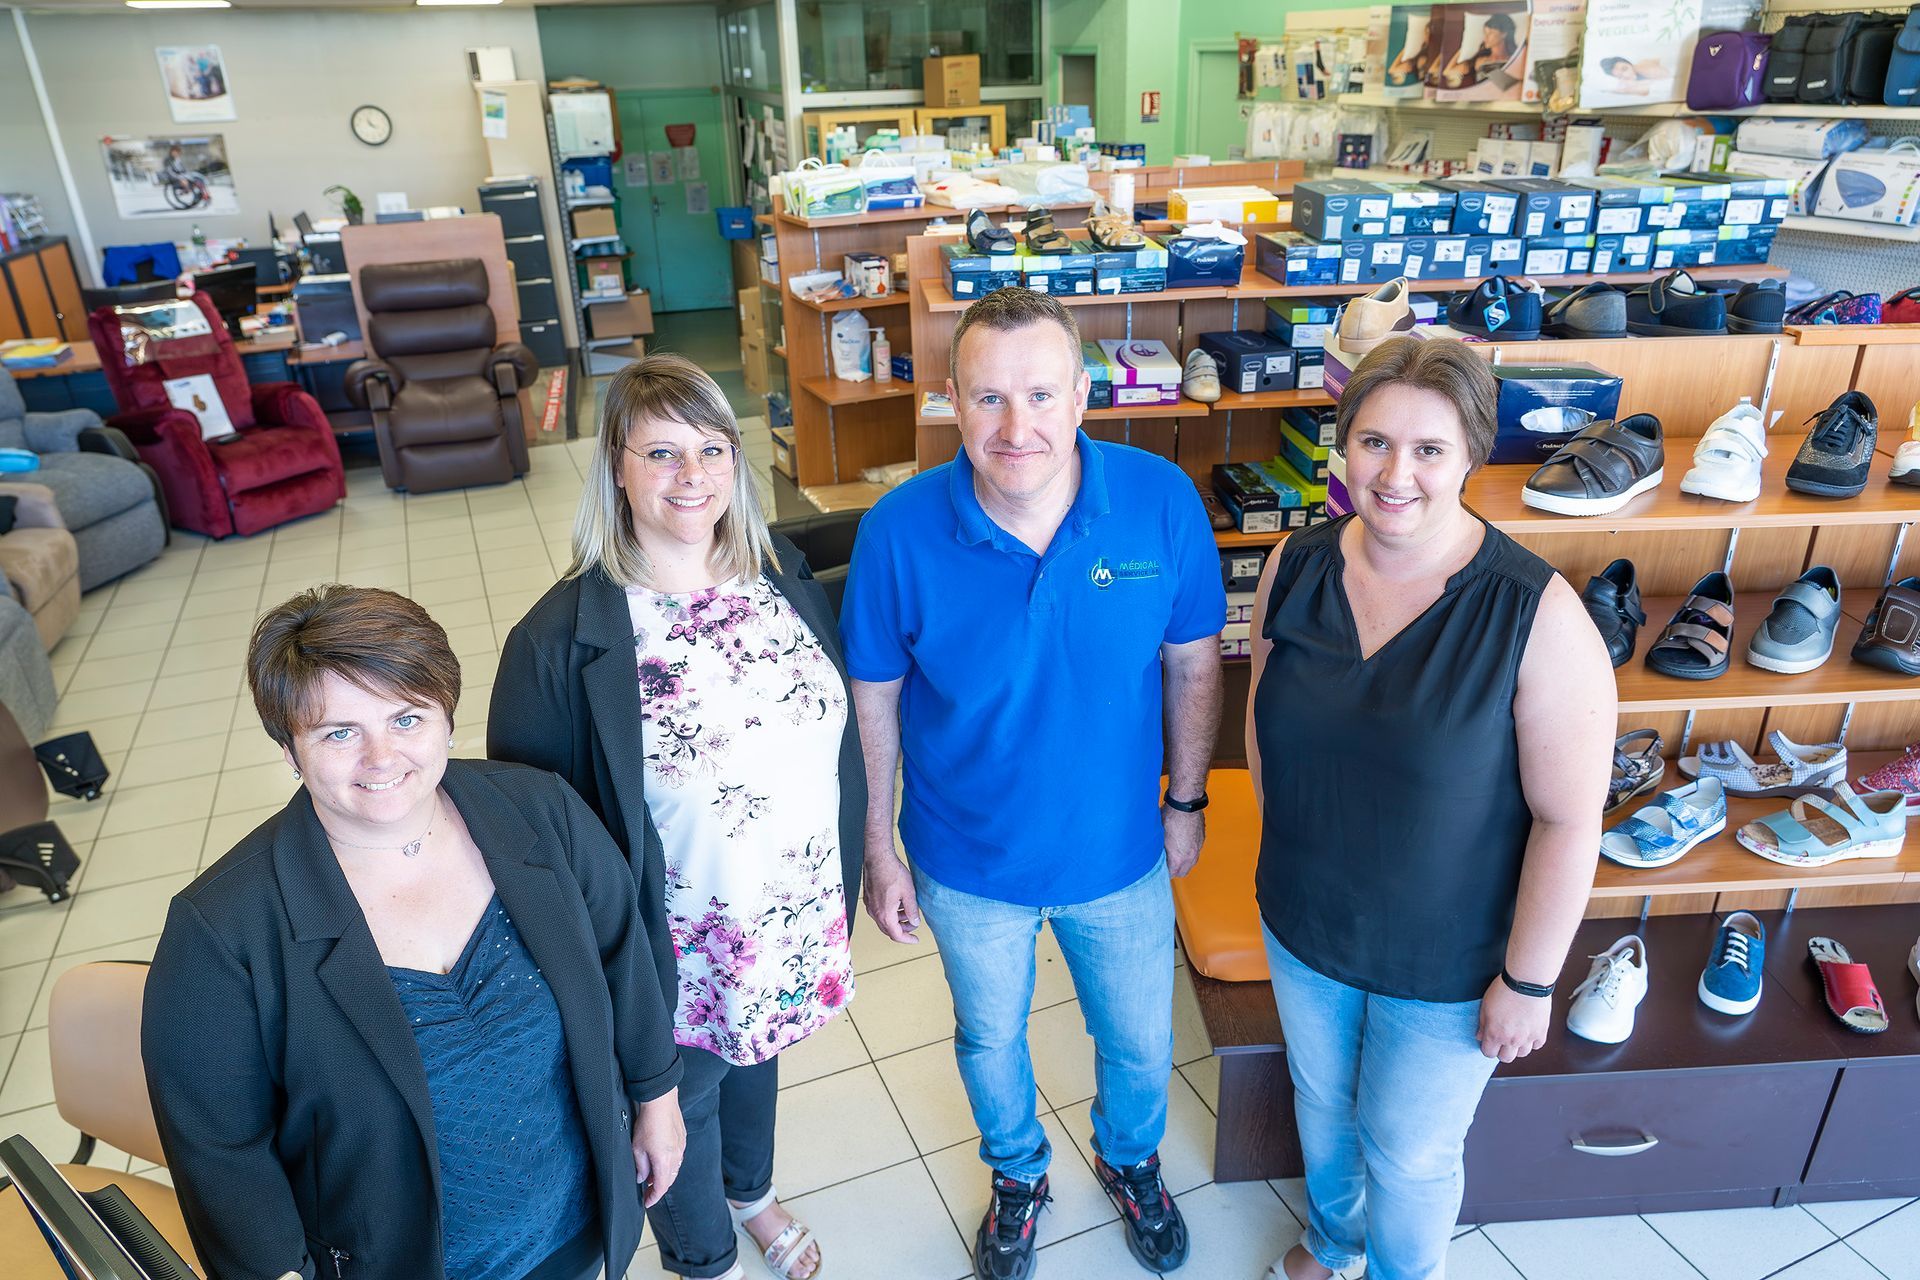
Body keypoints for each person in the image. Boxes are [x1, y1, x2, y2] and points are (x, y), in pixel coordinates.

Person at [840, 287, 1225, 1280]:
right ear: (952, 401)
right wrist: (879, 847)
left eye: (1042, 395)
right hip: (966, 860)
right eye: (989, 398)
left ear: (1084, 396)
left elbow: (1192, 664)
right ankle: (1018, 1173)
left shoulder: (1159, 501)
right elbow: (873, 699)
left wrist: (1187, 799)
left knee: (1139, 1040)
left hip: (1119, 852)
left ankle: (1130, 1158)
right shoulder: (896, 531)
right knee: (988, 1039)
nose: (1017, 427)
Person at [143, 586, 687, 1280]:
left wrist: (658, 1097)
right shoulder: (219, 931)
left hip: (575, 1230)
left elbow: (625, 957)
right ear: (290, 750)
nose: (381, 758)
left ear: (447, 719)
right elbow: (221, 1149)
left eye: (406, 718)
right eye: (339, 733)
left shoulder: (541, 809)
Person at [490, 353, 863, 1280]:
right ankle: (705, 1260)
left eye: (711, 449)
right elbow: (534, 845)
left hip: (783, 914)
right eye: (660, 453)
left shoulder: (778, 576)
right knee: (680, 1099)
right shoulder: (557, 643)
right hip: (671, 948)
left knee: (759, 1052)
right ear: (615, 468)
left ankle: (750, 1194)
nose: (691, 475)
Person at [1249, 337, 1614, 1280]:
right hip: (1304, 922)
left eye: (1428, 449)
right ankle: (1333, 1245)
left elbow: (1570, 819)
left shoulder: (1536, 613)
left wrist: (1529, 982)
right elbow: (1261, 723)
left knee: (1408, 1151)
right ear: (1342, 444)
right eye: (1373, 442)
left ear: (1472, 455)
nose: (1394, 474)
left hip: (1448, 961)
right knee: (1322, 1107)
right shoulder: (1296, 563)